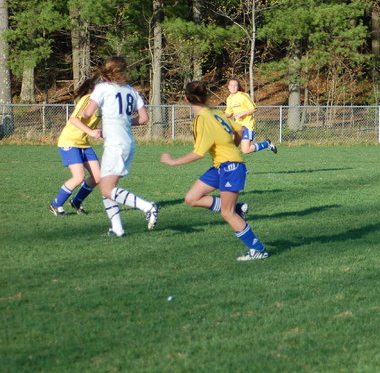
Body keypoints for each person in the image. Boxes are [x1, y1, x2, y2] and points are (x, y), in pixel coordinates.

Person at [160, 81, 269, 262]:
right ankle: (236, 208)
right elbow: (241, 129)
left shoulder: (202, 120)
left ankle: (258, 249)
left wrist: (173, 162)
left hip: (231, 167)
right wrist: (233, 146)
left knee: (227, 213)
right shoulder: (216, 113)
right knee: (192, 198)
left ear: (186, 99)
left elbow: (198, 153)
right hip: (221, 166)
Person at [81, 57, 159, 237]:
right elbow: (144, 118)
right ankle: (117, 229)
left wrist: (84, 111)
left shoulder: (103, 88)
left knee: (107, 188)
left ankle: (147, 207)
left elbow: (88, 113)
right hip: (128, 143)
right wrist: (123, 121)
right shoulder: (131, 90)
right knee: (107, 187)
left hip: (115, 144)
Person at [49, 77, 102, 216]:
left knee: (98, 176)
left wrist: (101, 132)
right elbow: (73, 119)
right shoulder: (88, 99)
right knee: (79, 177)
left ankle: (77, 201)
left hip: (83, 143)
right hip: (69, 141)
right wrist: (91, 132)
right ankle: (56, 204)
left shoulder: (103, 103)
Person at [224, 77, 277, 155]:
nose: (233, 87)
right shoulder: (229, 99)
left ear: (238, 87)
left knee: (245, 150)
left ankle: (267, 144)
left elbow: (254, 109)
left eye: (235, 85)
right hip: (238, 126)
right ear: (228, 86)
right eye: (231, 85)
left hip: (246, 125)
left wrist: (242, 113)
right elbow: (228, 113)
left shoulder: (243, 96)